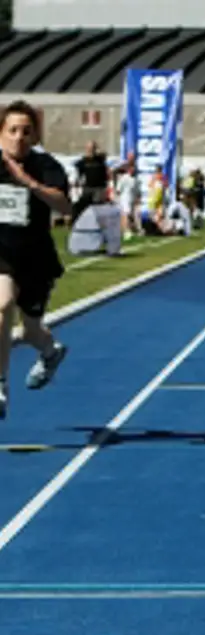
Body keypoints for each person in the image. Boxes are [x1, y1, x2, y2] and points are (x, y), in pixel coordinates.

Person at [0, 101, 72, 418]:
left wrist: (27, 182)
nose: (19, 137)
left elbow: (66, 207)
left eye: (26, 131)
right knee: (1, 306)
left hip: (35, 257)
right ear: (0, 134)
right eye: (12, 130)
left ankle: (49, 350)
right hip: (1, 252)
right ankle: (0, 385)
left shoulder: (45, 166)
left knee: (29, 330)